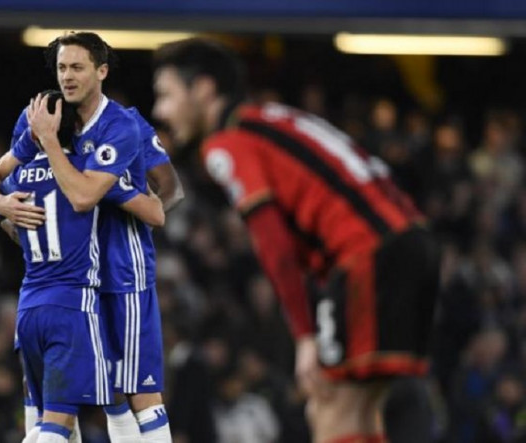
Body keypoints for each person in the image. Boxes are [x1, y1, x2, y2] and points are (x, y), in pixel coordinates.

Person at [152, 38, 439, 443]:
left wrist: (304, 335)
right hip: (411, 245)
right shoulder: (272, 119)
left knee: (327, 404)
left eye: (166, 94)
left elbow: (272, 242)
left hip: (367, 255)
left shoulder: (228, 141)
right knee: (360, 406)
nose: (159, 110)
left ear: (203, 89)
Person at [0, 32, 181, 442]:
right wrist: (5, 207)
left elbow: (168, 192)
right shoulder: (41, 116)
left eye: (77, 67)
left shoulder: (124, 125)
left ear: (100, 72)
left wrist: (128, 197)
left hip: (122, 272)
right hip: (70, 282)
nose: (67, 76)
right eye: (61, 67)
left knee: (134, 386)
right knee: (90, 394)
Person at [0, 142, 165, 443]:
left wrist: (7, 210)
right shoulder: (88, 172)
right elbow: (156, 212)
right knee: (86, 409)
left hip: (29, 305)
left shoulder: (20, 174)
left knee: (41, 408)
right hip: (74, 306)